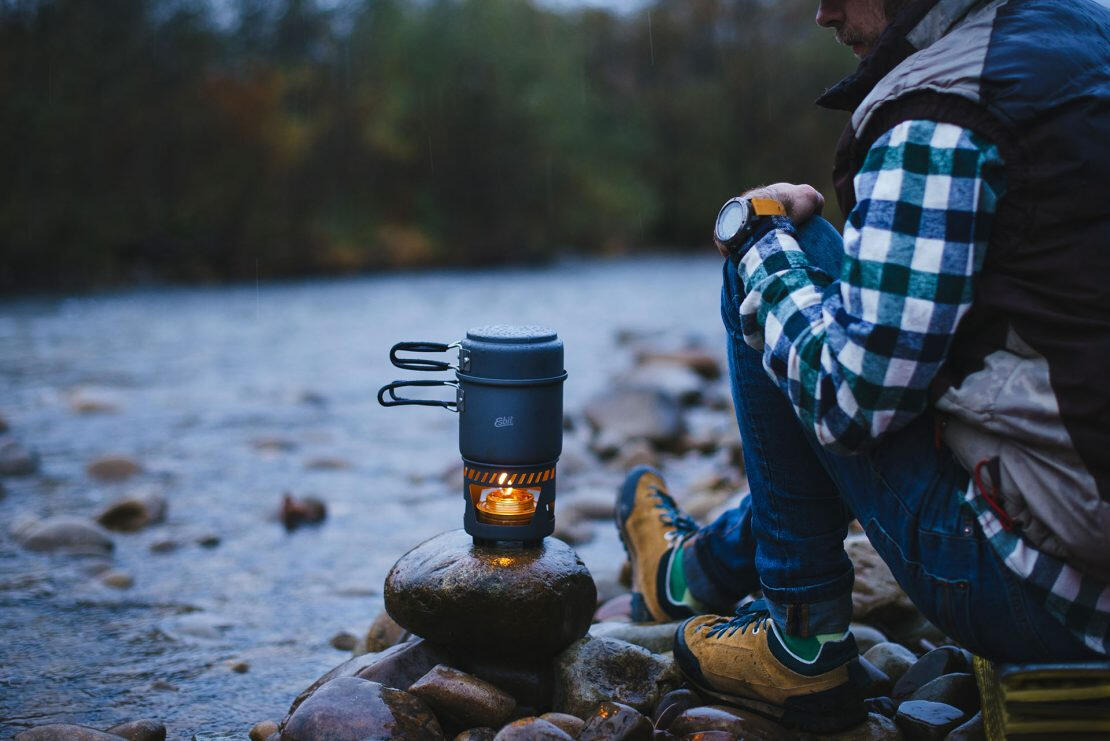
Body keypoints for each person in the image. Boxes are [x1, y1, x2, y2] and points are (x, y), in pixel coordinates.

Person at [616, 0, 1110, 733]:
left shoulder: (940, 114)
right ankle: (693, 573)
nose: (822, 14)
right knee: (873, 329)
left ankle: (799, 638)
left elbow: (847, 403)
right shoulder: (1085, 32)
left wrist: (754, 238)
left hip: (1052, 598)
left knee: (778, 258)